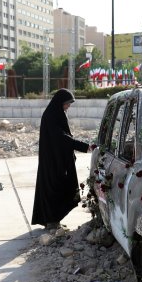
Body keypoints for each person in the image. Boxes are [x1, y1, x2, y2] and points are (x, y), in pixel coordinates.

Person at [32, 89, 95, 230]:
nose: (68, 107)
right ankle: (52, 221)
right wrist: (84, 146)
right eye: (67, 104)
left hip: (57, 160)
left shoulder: (57, 114)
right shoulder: (51, 116)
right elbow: (62, 138)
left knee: (59, 187)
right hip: (52, 161)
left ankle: (53, 220)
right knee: (54, 188)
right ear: (60, 103)